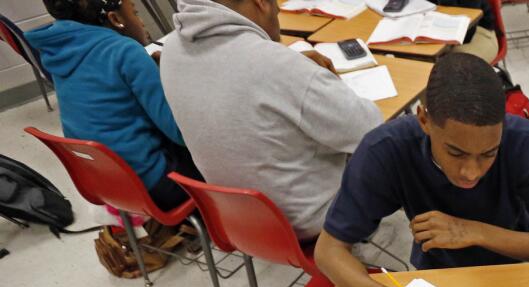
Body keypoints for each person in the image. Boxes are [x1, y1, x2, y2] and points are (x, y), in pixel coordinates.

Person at [316, 52, 529, 287]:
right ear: (424, 120)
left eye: (489, 154)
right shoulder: (385, 149)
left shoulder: (523, 140)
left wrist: (472, 231)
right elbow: (329, 251)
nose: (471, 172)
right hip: (437, 271)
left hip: (514, 263)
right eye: (456, 153)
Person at [161, 0, 382, 242]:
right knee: (400, 141)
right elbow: (371, 130)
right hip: (313, 222)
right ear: (261, 3)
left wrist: (294, 67)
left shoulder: (171, 49)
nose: (278, 10)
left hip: (241, 220)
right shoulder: (277, 65)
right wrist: (308, 76)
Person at [27, 0, 201, 210]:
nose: (142, 22)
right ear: (116, 19)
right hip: (158, 186)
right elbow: (181, 133)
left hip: (109, 185)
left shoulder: (60, 50)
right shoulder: (125, 50)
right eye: (136, 13)